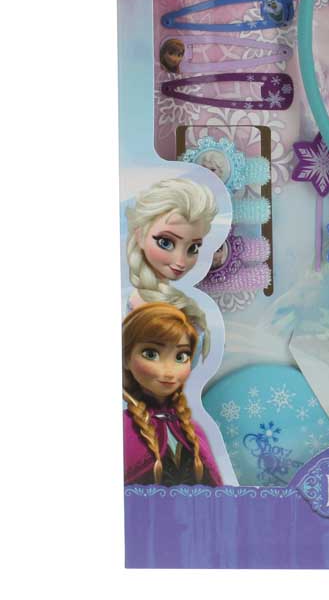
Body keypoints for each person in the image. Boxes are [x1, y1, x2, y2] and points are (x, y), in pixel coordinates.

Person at [123, 302, 222, 486]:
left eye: (181, 356)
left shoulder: (191, 430)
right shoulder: (125, 429)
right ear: (126, 358)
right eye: (151, 354)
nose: (169, 371)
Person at [125, 178, 217, 359]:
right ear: (140, 236)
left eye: (193, 248)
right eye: (165, 243)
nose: (181, 261)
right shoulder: (142, 307)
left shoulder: (171, 301)